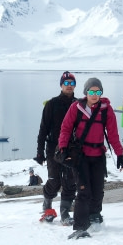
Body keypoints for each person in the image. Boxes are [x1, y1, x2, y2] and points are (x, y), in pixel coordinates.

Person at [59, 77, 123, 239]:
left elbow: (113, 134)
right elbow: (65, 129)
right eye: (91, 91)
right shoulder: (76, 108)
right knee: (84, 191)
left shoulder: (106, 110)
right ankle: (79, 226)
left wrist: (119, 154)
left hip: (98, 156)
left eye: (97, 92)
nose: (94, 95)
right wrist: (63, 148)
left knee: (98, 190)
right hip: (81, 157)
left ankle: (94, 215)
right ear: (86, 92)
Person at [34, 71, 77, 226]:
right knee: (54, 179)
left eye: (72, 83)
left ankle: (65, 213)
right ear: (61, 85)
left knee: (70, 181)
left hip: (72, 149)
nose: (69, 86)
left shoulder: (79, 104)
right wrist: (40, 152)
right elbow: (43, 129)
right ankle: (47, 207)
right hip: (53, 147)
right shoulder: (51, 104)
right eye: (66, 83)